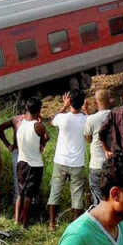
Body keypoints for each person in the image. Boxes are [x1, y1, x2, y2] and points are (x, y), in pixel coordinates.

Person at [49, 89, 88, 231]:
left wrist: (63, 106)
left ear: (69, 101)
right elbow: (88, 137)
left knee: (55, 191)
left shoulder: (62, 118)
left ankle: (52, 224)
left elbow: (52, 121)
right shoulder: (85, 120)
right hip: (77, 163)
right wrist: (87, 110)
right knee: (77, 194)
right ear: (83, 102)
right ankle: (75, 226)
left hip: (60, 161)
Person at [12, 98, 48, 228]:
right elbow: (46, 137)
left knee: (20, 193)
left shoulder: (19, 124)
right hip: (35, 165)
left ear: (26, 109)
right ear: (38, 111)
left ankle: (17, 220)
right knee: (29, 195)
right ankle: (25, 222)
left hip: (21, 162)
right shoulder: (39, 126)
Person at [83, 89, 112, 204]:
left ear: (95, 102)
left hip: (96, 164)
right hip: (112, 162)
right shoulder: (115, 115)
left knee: (98, 198)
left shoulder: (91, 119)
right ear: (110, 100)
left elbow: (88, 139)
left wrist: (86, 113)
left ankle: (99, 220)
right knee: (111, 196)